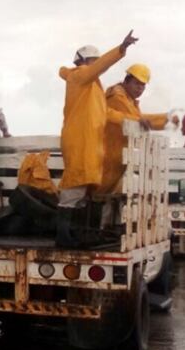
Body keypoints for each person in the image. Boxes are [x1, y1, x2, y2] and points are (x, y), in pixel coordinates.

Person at [56, 30, 138, 247]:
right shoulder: (79, 75)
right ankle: (63, 237)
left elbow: (109, 114)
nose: (95, 65)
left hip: (88, 143)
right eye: (93, 60)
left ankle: (72, 235)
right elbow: (100, 67)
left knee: (82, 189)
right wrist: (121, 49)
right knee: (74, 186)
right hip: (80, 141)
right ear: (82, 61)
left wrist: (136, 122)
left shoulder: (92, 89)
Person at [98, 64, 172, 195]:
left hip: (115, 155)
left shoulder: (128, 99)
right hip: (107, 155)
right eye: (137, 83)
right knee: (99, 195)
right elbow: (138, 119)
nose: (140, 88)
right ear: (126, 81)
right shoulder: (117, 97)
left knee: (103, 197)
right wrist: (169, 120)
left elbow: (138, 119)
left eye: (143, 85)